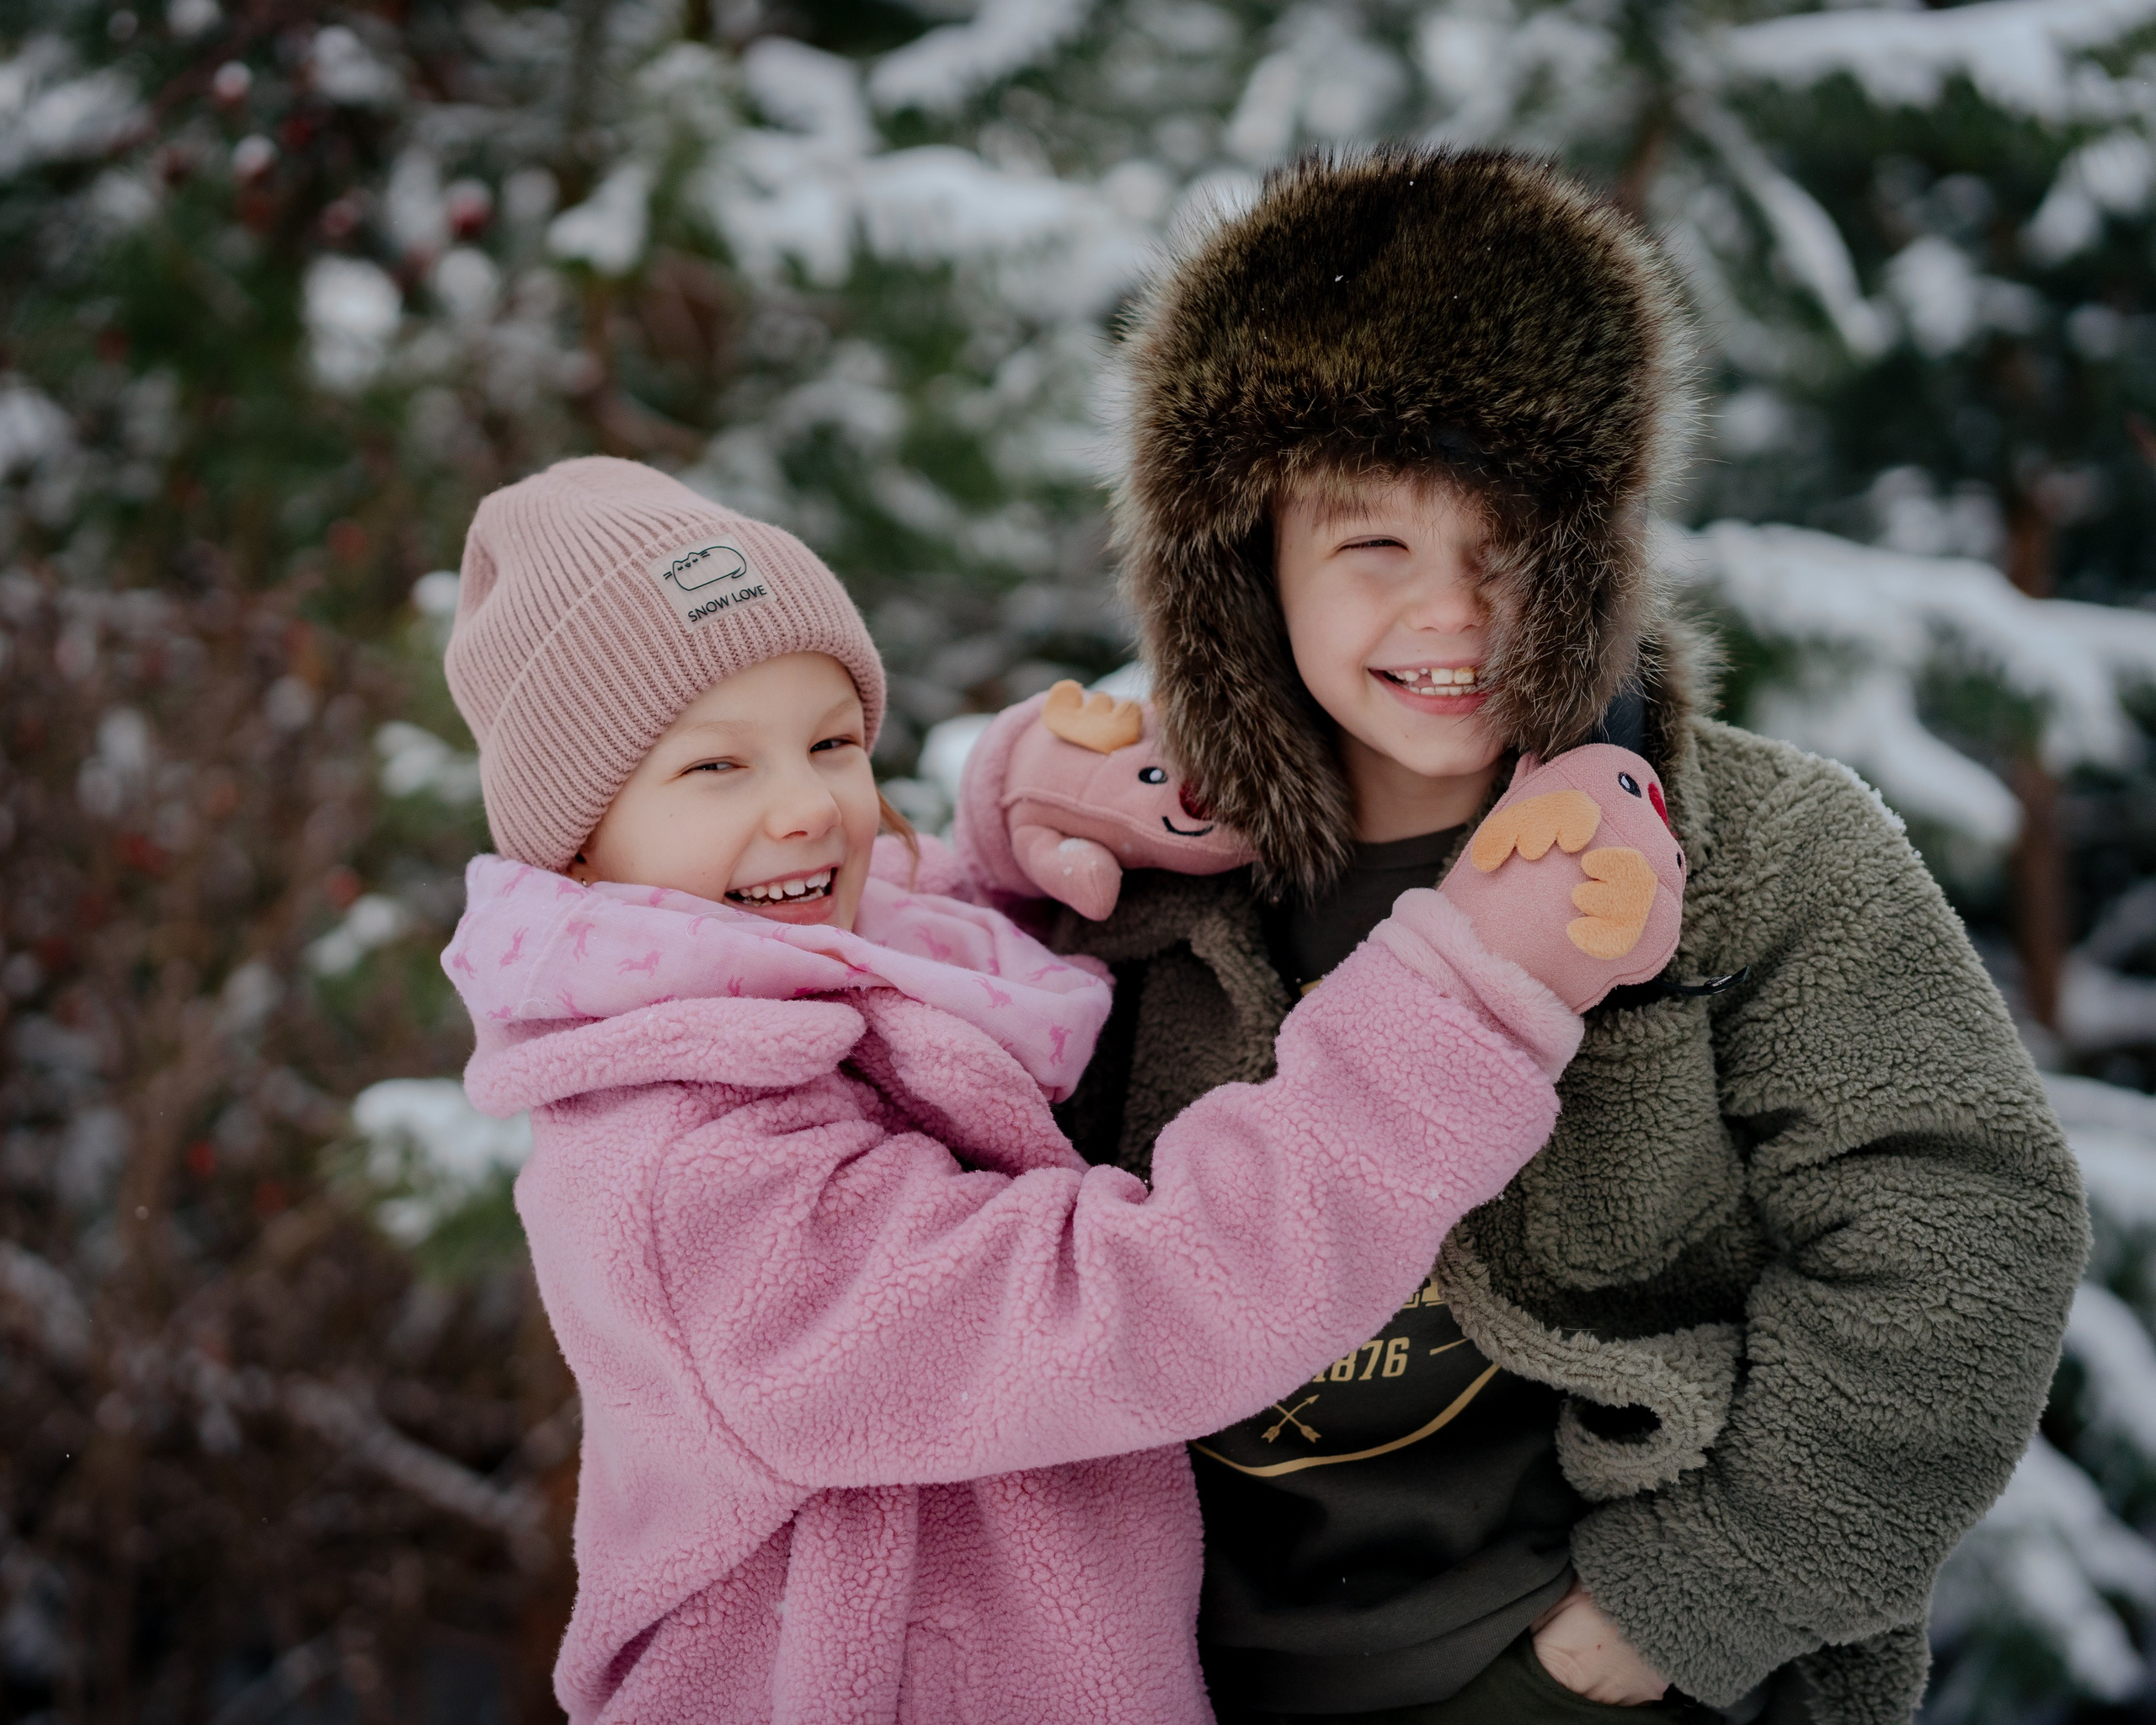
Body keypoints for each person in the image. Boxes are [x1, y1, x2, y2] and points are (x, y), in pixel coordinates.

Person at [1006, 148, 2089, 1723]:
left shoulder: (1757, 854)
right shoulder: (1127, 877)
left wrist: (1664, 1620)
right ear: (1247, 567)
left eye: (1506, 547)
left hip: (1588, 1668)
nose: (1450, 614)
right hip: (1175, 1672)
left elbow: (1966, 1236)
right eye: (1372, 546)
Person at [435, 455, 1680, 1723]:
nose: (810, 808)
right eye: (716, 770)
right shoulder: (686, 1181)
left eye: (830, 743)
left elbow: (926, 971)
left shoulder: (802, 973)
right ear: (580, 842)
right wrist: (1469, 991)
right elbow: (1138, 1302)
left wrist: (1019, 801)